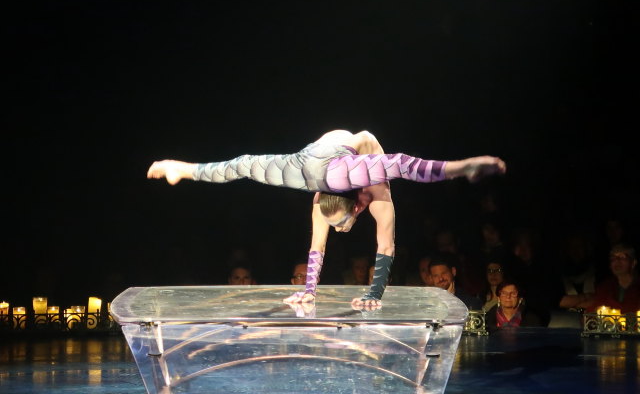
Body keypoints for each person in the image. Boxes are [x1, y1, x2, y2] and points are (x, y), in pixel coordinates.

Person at [147, 129, 506, 307]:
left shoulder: (356, 188)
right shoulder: (358, 187)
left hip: (308, 163)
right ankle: (183, 169)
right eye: (341, 225)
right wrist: (464, 167)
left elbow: (371, 244)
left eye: (340, 225)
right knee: (244, 165)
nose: (341, 231)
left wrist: (369, 293)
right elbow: (406, 169)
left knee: (243, 165)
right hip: (319, 165)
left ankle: (182, 169)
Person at [584, 243, 640, 313]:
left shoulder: (637, 287)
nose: (617, 261)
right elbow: (594, 310)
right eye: (613, 258)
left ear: (633, 263)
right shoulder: (605, 287)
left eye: (622, 257)